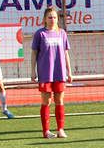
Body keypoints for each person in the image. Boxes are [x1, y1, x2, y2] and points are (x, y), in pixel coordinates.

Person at [30, 7, 72, 139]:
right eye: (49, 17)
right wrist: (32, 70)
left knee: (59, 100)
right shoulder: (40, 34)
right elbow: (34, 53)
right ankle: (46, 131)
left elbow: (66, 53)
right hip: (45, 73)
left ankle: (60, 129)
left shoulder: (62, 33)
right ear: (44, 19)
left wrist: (69, 71)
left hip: (60, 72)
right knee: (46, 101)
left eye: (54, 17)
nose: (52, 20)